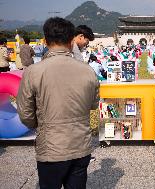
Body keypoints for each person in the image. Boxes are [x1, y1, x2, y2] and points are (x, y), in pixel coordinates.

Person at [17, 17, 100, 189]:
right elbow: (93, 104)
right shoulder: (88, 71)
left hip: (51, 148)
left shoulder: (33, 72)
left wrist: (40, 125)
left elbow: (25, 114)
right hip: (80, 145)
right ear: (72, 41)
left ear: (45, 41)